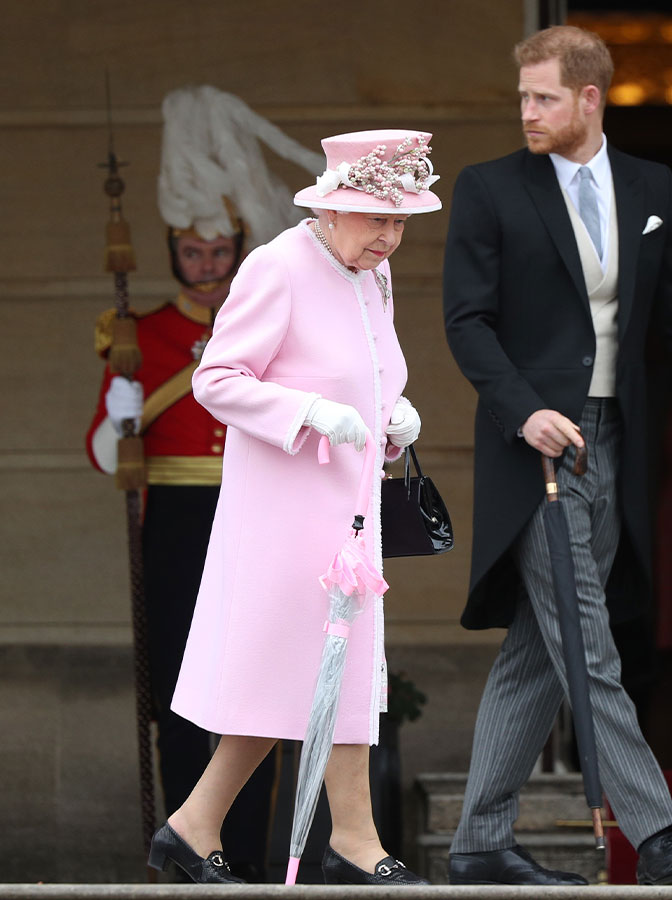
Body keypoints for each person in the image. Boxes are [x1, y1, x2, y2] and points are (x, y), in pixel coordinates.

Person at [442, 26, 672, 886]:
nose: (528, 113)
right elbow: (466, 324)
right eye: (522, 97)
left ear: (590, 98)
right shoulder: (488, 189)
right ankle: (655, 834)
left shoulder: (650, 186)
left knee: (537, 653)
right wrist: (524, 414)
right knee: (586, 640)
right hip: (535, 447)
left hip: (618, 436)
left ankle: (477, 844)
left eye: (544, 97)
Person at [147, 129, 441, 886]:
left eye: (401, 220)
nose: (390, 235)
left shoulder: (372, 273)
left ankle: (202, 826)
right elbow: (219, 379)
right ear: (334, 207)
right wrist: (307, 409)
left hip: (346, 509)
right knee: (300, 672)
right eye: (377, 217)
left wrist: (392, 414)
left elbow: (368, 373)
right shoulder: (276, 265)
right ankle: (349, 839)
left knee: (326, 672)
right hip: (281, 510)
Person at [87, 85, 325, 881]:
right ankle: (187, 844)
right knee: (180, 684)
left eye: (221, 253)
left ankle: (249, 855)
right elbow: (100, 455)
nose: (208, 268)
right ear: (172, 252)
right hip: (179, 518)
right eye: (193, 254)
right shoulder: (142, 332)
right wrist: (126, 410)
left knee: (255, 674)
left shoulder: (261, 316)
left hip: (253, 506)